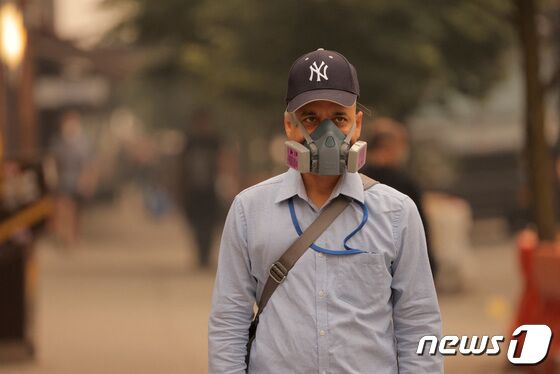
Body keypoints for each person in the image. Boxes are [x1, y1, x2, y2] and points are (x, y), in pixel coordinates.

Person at [208, 48, 442, 373]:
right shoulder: (249, 210)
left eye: (339, 118)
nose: (326, 133)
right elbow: (228, 320)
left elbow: (419, 323)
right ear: (289, 126)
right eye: (311, 119)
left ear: (357, 124)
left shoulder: (397, 212)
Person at [361, 117, 438, 278]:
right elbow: (420, 231)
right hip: (401, 268)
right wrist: (431, 265)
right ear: (392, 147)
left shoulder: (354, 180)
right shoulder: (404, 183)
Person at [180, 109, 222, 268]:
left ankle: (206, 254)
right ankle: (200, 254)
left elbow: (223, 160)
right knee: (196, 223)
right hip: (193, 190)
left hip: (211, 189)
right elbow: (182, 165)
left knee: (210, 224)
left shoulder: (215, 141)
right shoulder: (189, 141)